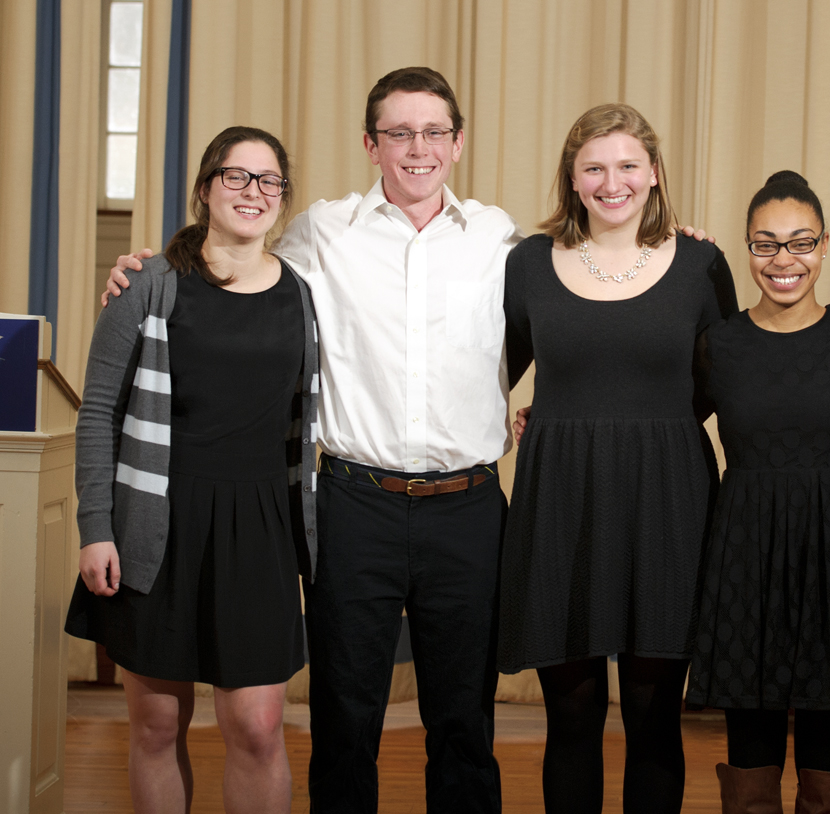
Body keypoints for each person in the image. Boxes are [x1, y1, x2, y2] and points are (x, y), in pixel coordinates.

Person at [105, 67, 521, 814]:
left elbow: (584, 296)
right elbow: (229, 266)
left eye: (433, 132)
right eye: (398, 132)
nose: (416, 148)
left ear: (457, 144)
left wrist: (675, 238)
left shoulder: (500, 237)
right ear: (371, 144)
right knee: (344, 719)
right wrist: (142, 273)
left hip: (469, 508)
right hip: (354, 504)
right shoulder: (321, 232)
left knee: (463, 720)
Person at [68, 126, 319, 814]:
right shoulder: (149, 283)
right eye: (235, 176)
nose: (252, 191)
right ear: (206, 188)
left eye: (268, 180)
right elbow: (97, 414)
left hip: (260, 528)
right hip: (158, 523)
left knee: (259, 728)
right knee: (156, 724)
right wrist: (96, 528)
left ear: (283, 198)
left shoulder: (303, 293)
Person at [498, 103, 738, 814]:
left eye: (628, 165)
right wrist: (567, 423)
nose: (613, 182)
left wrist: (634, 426)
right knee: (570, 719)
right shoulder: (528, 264)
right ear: (572, 181)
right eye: (594, 167)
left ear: (655, 174)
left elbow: (728, 381)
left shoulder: (702, 262)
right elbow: (488, 375)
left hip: (669, 505)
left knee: (655, 720)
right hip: (561, 506)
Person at [686, 171, 830, 814]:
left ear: (826, 246)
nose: (785, 261)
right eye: (766, 243)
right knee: (751, 738)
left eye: (801, 243)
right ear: (747, 249)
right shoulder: (717, 345)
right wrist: (546, 413)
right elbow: (665, 428)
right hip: (745, 550)